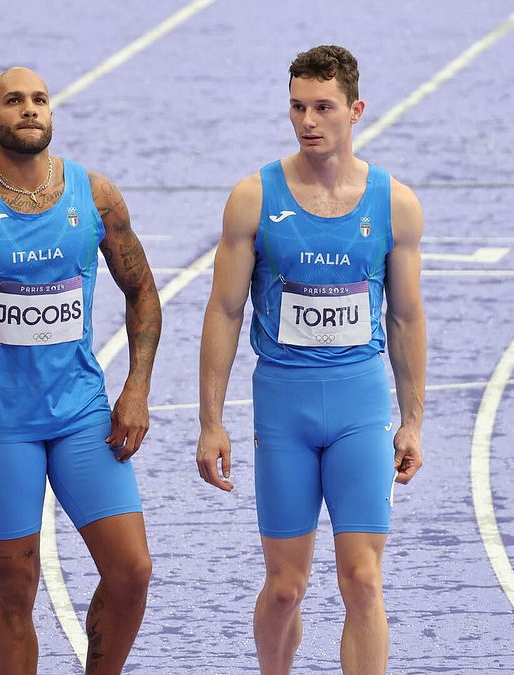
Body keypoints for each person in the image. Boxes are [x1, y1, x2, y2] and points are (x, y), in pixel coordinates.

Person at [0, 67, 161, 674]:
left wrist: (136, 390)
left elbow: (144, 293)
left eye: (40, 99)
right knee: (15, 590)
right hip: (2, 430)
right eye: (13, 100)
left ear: (52, 113)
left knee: (132, 571)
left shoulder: (96, 196)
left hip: (84, 418)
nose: (29, 109)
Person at [196, 45, 426, 674]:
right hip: (284, 412)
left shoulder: (394, 203)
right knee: (286, 588)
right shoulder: (253, 198)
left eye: (323, 108)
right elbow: (223, 311)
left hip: (358, 408)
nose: (308, 121)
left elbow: (404, 317)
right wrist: (210, 421)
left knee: (363, 580)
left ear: (355, 110)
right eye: (298, 107)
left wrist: (412, 420)